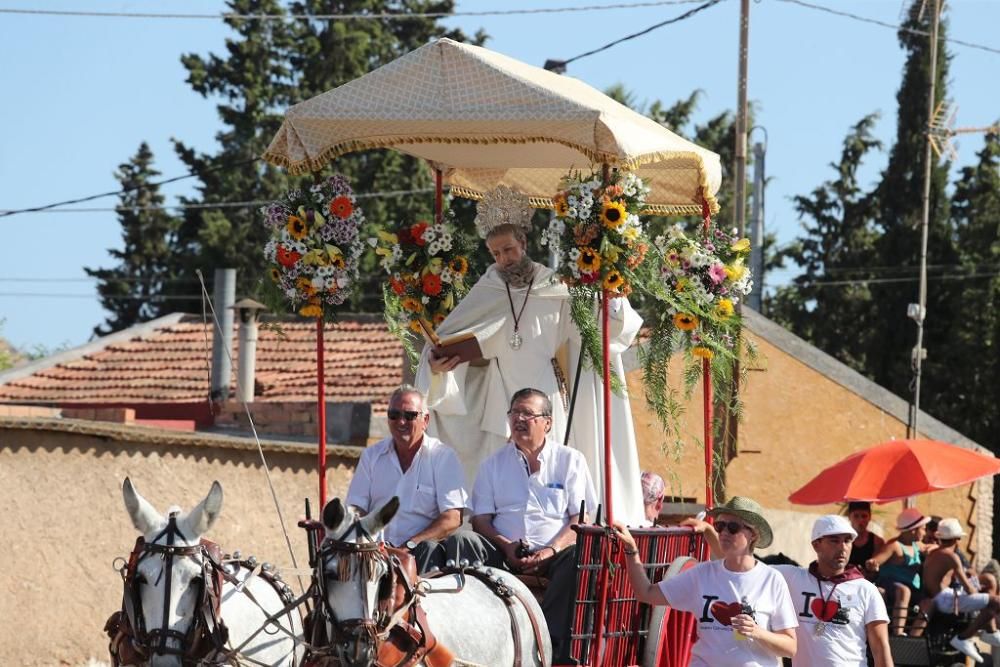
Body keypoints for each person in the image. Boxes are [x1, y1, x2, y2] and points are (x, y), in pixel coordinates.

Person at [415, 185, 644, 524]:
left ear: (523, 243)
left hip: (546, 393)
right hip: (502, 396)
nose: (503, 259)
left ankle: (553, 532)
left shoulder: (558, 288)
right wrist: (438, 363)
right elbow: (448, 337)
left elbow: (599, 324)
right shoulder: (488, 289)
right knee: (502, 476)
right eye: (495, 253)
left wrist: (612, 286)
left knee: (550, 466)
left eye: (508, 249)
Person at [464, 388, 598, 663]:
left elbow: (581, 518)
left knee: (577, 556)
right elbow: (480, 519)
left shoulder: (569, 460)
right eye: (515, 413)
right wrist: (506, 545)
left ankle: (549, 645)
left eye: (528, 413)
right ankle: (468, 636)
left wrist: (551, 549)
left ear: (547, 423)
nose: (519, 419)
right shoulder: (493, 464)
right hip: (504, 553)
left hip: (556, 556)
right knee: (463, 542)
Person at [614, 496, 798, 666]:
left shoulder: (772, 580)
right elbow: (645, 593)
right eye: (719, 526)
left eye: (732, 527)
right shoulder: (701, 574)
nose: (724, 532)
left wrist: (758, 632)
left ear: (753, 535)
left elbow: (790, 647)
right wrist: (631, 550)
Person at [345, 385, 468, 573]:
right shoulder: (371, 456)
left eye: (409, 415)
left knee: (429, 549)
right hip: (374, 553)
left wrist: (409, 545)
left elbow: (452, 518)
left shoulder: (443, 457)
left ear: (425, 420)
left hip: (421, 554)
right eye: (394, 415)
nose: (401, 421)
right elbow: (355, 508)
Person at [772, 515, 892, 667]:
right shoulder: (792, 577)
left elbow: (881, 648)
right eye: (834, 540)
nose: (843, 547)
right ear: (816, 545)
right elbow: (749, 568)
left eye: (847, 541)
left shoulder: (866, 590)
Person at [921, 518, 1000, 663]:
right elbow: (969, 589)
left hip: (942, 597)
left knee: (989, 595)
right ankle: (964, 637)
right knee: (995, 602)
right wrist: (980, 594)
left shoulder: (935, 553)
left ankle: (990, 631)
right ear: (957, 538)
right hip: (946, 600)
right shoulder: (952, 557)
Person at [865, 507, 935, 636]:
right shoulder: (894, 546)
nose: (925, 533)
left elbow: (930, 547)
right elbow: (874, 561)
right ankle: (898, 633)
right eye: (923, 529)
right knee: (904, 591)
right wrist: (872, 564)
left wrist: (933, 548)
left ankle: (914, 637)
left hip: (912, 589)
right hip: (891, 585)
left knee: (929, 602)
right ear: (913, 530)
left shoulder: (917, 545)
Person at [845, 501, 885, 578]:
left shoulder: (877, 541)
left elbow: (876, 568)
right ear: (849, 517)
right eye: (856, 516)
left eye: (864, 516)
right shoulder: (843, 540)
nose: (860, 520)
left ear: (870, 517)